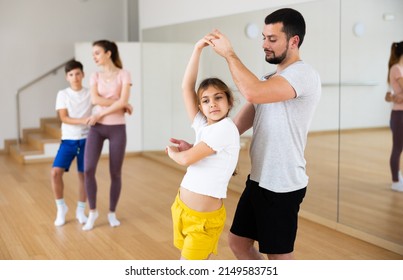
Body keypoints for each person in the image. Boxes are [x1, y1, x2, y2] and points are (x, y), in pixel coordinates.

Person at [204, 8, 322, 260]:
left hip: (282, 184)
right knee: (238, 243)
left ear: (294, 41)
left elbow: (253, 92)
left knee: (278, 257)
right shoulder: (269, 78)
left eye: (272, 39)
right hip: (258, 179)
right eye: (263, 37)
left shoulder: (303, 74)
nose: (264, 45)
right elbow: (234, 127)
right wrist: (198, 145)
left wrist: (229, 54)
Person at [166, 38, 240, 260]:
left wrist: (173, 153)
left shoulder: (225, 128)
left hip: (203, 220)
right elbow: (186, 87)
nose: (213, 104)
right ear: (200, 107)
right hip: (182, 209)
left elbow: (186, 159)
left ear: (229, 101)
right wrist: (197, 49)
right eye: (206, 101)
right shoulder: (203, 126)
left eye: (218, 98)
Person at [82, 40, 133, 231]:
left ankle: (112, 212)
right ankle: (93, 212)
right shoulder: (95, 75)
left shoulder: (124, 74)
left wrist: (100, 112)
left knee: (115, 172)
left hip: (116, 127)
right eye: (93, 53)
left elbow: (123, 101)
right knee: (88, 169)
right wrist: (118, 103)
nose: (94, 57)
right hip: (97, 129)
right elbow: (95, 99)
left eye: (97, 53)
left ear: (108, 53)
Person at [50, 59, 92, 227]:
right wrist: (85, 120)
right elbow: (64, 118)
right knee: (55, 173)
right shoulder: (63, 94)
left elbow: (103, 105)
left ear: (83, 75)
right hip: (68, 140)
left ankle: (80, 211)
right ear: (67, 77)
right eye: (71, 74)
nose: (75, 77)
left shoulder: (90, 93)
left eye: (77, 74)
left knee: (84, 176)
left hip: (87, 140)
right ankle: (61, 209)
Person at [387, 41, 403, 192]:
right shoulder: (397, 69)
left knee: (399, 147)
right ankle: (395, 181)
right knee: (398, 148)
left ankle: (398, 175)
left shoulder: (400, 68)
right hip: (399, 114)